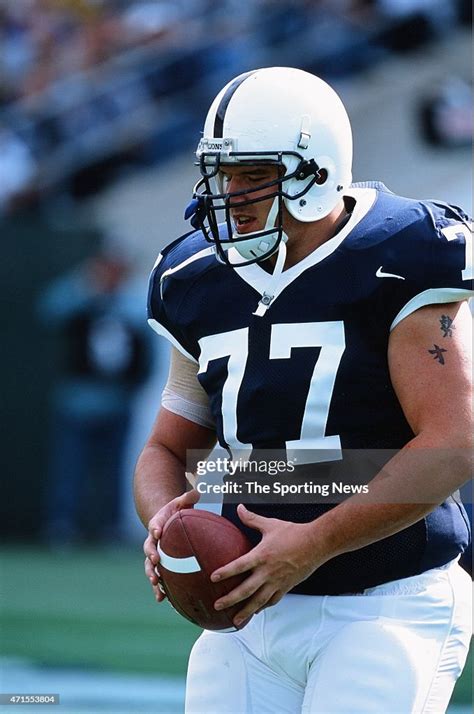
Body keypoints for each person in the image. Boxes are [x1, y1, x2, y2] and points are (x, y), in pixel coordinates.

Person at [134, 67, 472, 713]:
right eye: (221, 174)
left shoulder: (403, 249)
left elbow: (453, 444)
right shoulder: (193, 277)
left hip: (385, 600)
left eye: (252, 173)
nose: (230, 194)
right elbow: (166, 449)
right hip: (249, 606)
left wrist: (315, 542)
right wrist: (164, 520)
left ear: (314, 169)